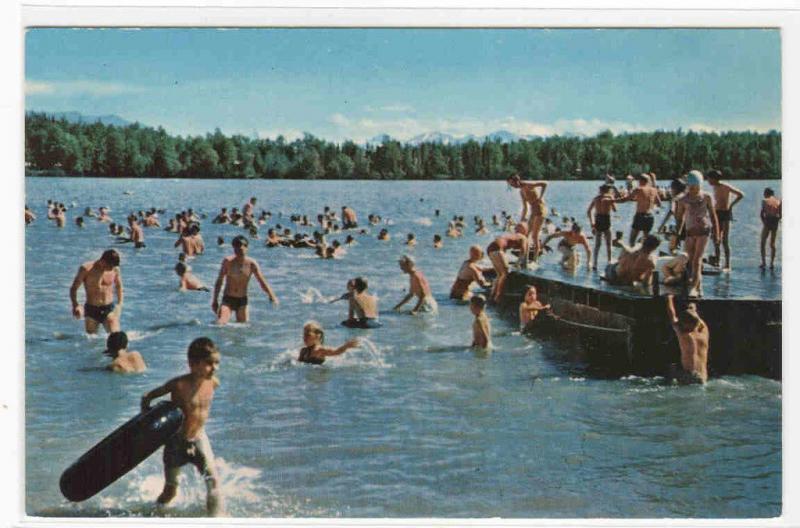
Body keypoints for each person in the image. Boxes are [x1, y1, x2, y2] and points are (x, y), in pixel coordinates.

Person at [141, 337, 223, 516]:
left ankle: (215, 520)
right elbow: (147, 396)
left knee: (213, 482)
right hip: (176, 443)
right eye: (209, 363)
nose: (214, 368)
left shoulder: (213, 383)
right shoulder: (178, 385)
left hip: (199, 438)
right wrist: (145, 420)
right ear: (193, 363)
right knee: (170, 491)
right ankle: (152, 516)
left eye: (217, 363)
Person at [211, 236, 279, 324]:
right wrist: (215, 300)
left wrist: (272, 296)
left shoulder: (251, 264)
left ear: (247, 248)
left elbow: (262, 281)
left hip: (242, 300)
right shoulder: (228, 262)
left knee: (243, 326)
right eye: (236, 249)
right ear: (233, 249)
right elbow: (219, 281)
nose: (239, 252)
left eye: (241, 250)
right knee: (220, 323)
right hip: (228, 299)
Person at [675, 170, 719, 297]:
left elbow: (713, 215)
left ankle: (693, 288)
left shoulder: (706, 196)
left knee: (697, 260)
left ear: (700, 185)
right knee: (689, 260)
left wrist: (717, 233)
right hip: (690, 232)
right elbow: (679, 218)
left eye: (696, 187)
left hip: (703, 231)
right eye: (691, 187)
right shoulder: (683, 199)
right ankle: (699, 286)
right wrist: (677, 235)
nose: (693, 189)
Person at [69, 249, 124, 334]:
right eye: (109, 267)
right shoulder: (86, 269)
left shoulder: (115, 269)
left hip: (108, 308)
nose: (111, 269)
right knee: (91, 340)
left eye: (113, 267)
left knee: (115, 336)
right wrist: (75, 305)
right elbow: (74, 288)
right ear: (103, 261)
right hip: (91, 309)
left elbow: (119, 287)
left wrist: (120, 304)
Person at [665, 295, 708, 384]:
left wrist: (669, 298)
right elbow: (696, 319)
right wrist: (692, 308)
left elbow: (672, 315)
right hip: (703, 377)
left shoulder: (684, 334)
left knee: (671, 368)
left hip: (690, 376)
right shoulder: (705, 331)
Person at [706, 169, 744, 270]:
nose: (708, 181)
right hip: (717, 213)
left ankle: (727, 264)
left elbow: (741, 194)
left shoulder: (725, 186)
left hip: (725, 213)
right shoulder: (714, 187)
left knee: (724, 240)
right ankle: (717, 262)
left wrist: (731, 205)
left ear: (714, 179)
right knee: (715, 239)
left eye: (709, 179)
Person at [507, 174, 548, 261]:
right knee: (525, 235)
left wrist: (540, 197)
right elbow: (525, 208)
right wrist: (521, 220)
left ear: (517, 181)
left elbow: (544, 184)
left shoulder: (528, 184)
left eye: (513, 184)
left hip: (540, 211)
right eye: (511, 185)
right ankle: (525, 258)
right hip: (533, 212)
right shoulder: (521, 192)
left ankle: (535, 259)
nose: (513, 186)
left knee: (534, 236)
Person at [486, 223, 529, 303]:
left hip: (490, 248)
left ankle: (492, 294)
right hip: (497, 248)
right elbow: (524, 250)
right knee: (505, 273)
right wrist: (518, 263)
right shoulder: (522, 237)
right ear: (525, 231)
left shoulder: (512, 235)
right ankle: (498, 296)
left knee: (499, 274)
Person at [619, 173, 662, 246]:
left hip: (640, 216)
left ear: (640, 181)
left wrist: (613, 200)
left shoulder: (639, 189)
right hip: (650, 216)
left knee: (632, 240)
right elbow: (659, 203)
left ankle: (632, 255)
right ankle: (644, 256)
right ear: (648, 181)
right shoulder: (654, 190)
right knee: (646, 240)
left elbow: (626, 199)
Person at [586, 184, 617, 270]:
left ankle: (595, 263)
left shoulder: (596, 199)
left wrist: (592, 223)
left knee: (597, 244)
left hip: (598, 219)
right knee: (608, 243)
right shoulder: (610, 198)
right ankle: (609, 261)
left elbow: (588, 211)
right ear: (608, 190)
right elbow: (615, 210)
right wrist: (612, 199)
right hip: (606, 219)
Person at [760, 187, 781, 269]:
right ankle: (772, 264)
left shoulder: (764, 201)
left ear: (766, 193)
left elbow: (762, 214)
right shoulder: (778, 201)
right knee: (772, 244)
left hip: (768, 220)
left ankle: (764, 263)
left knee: (763, 242)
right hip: (775, 221)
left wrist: (764, 222)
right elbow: (780, 214)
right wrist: (778, 220)